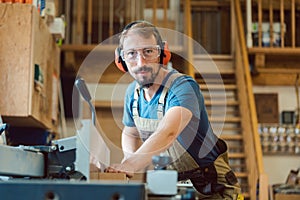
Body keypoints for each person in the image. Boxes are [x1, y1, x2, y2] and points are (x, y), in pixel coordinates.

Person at [105, 20, 241, 199]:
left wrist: (132, 164)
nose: (141, 62)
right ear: (121, 59)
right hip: (171, 187)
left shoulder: (183, 87)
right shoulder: (133, 93)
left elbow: (168, 132)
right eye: (131, 54)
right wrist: (130, 166)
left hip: (211, 189)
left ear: (162, 53)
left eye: (148, 52)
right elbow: (131, 133)